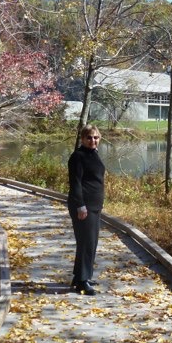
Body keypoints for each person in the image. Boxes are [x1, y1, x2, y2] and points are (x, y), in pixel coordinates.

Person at [67, 124, 105, 296]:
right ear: (82, 139)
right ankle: (82, 283)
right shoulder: (78, 157)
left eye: (96, 137)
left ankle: (82, 276)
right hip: (84, 206)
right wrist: (80, 205)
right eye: (89, 137)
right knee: (86, 242)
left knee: (91, 242)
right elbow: (75, 183)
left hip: (95, 206)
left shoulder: (94, 155)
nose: (93, 140)